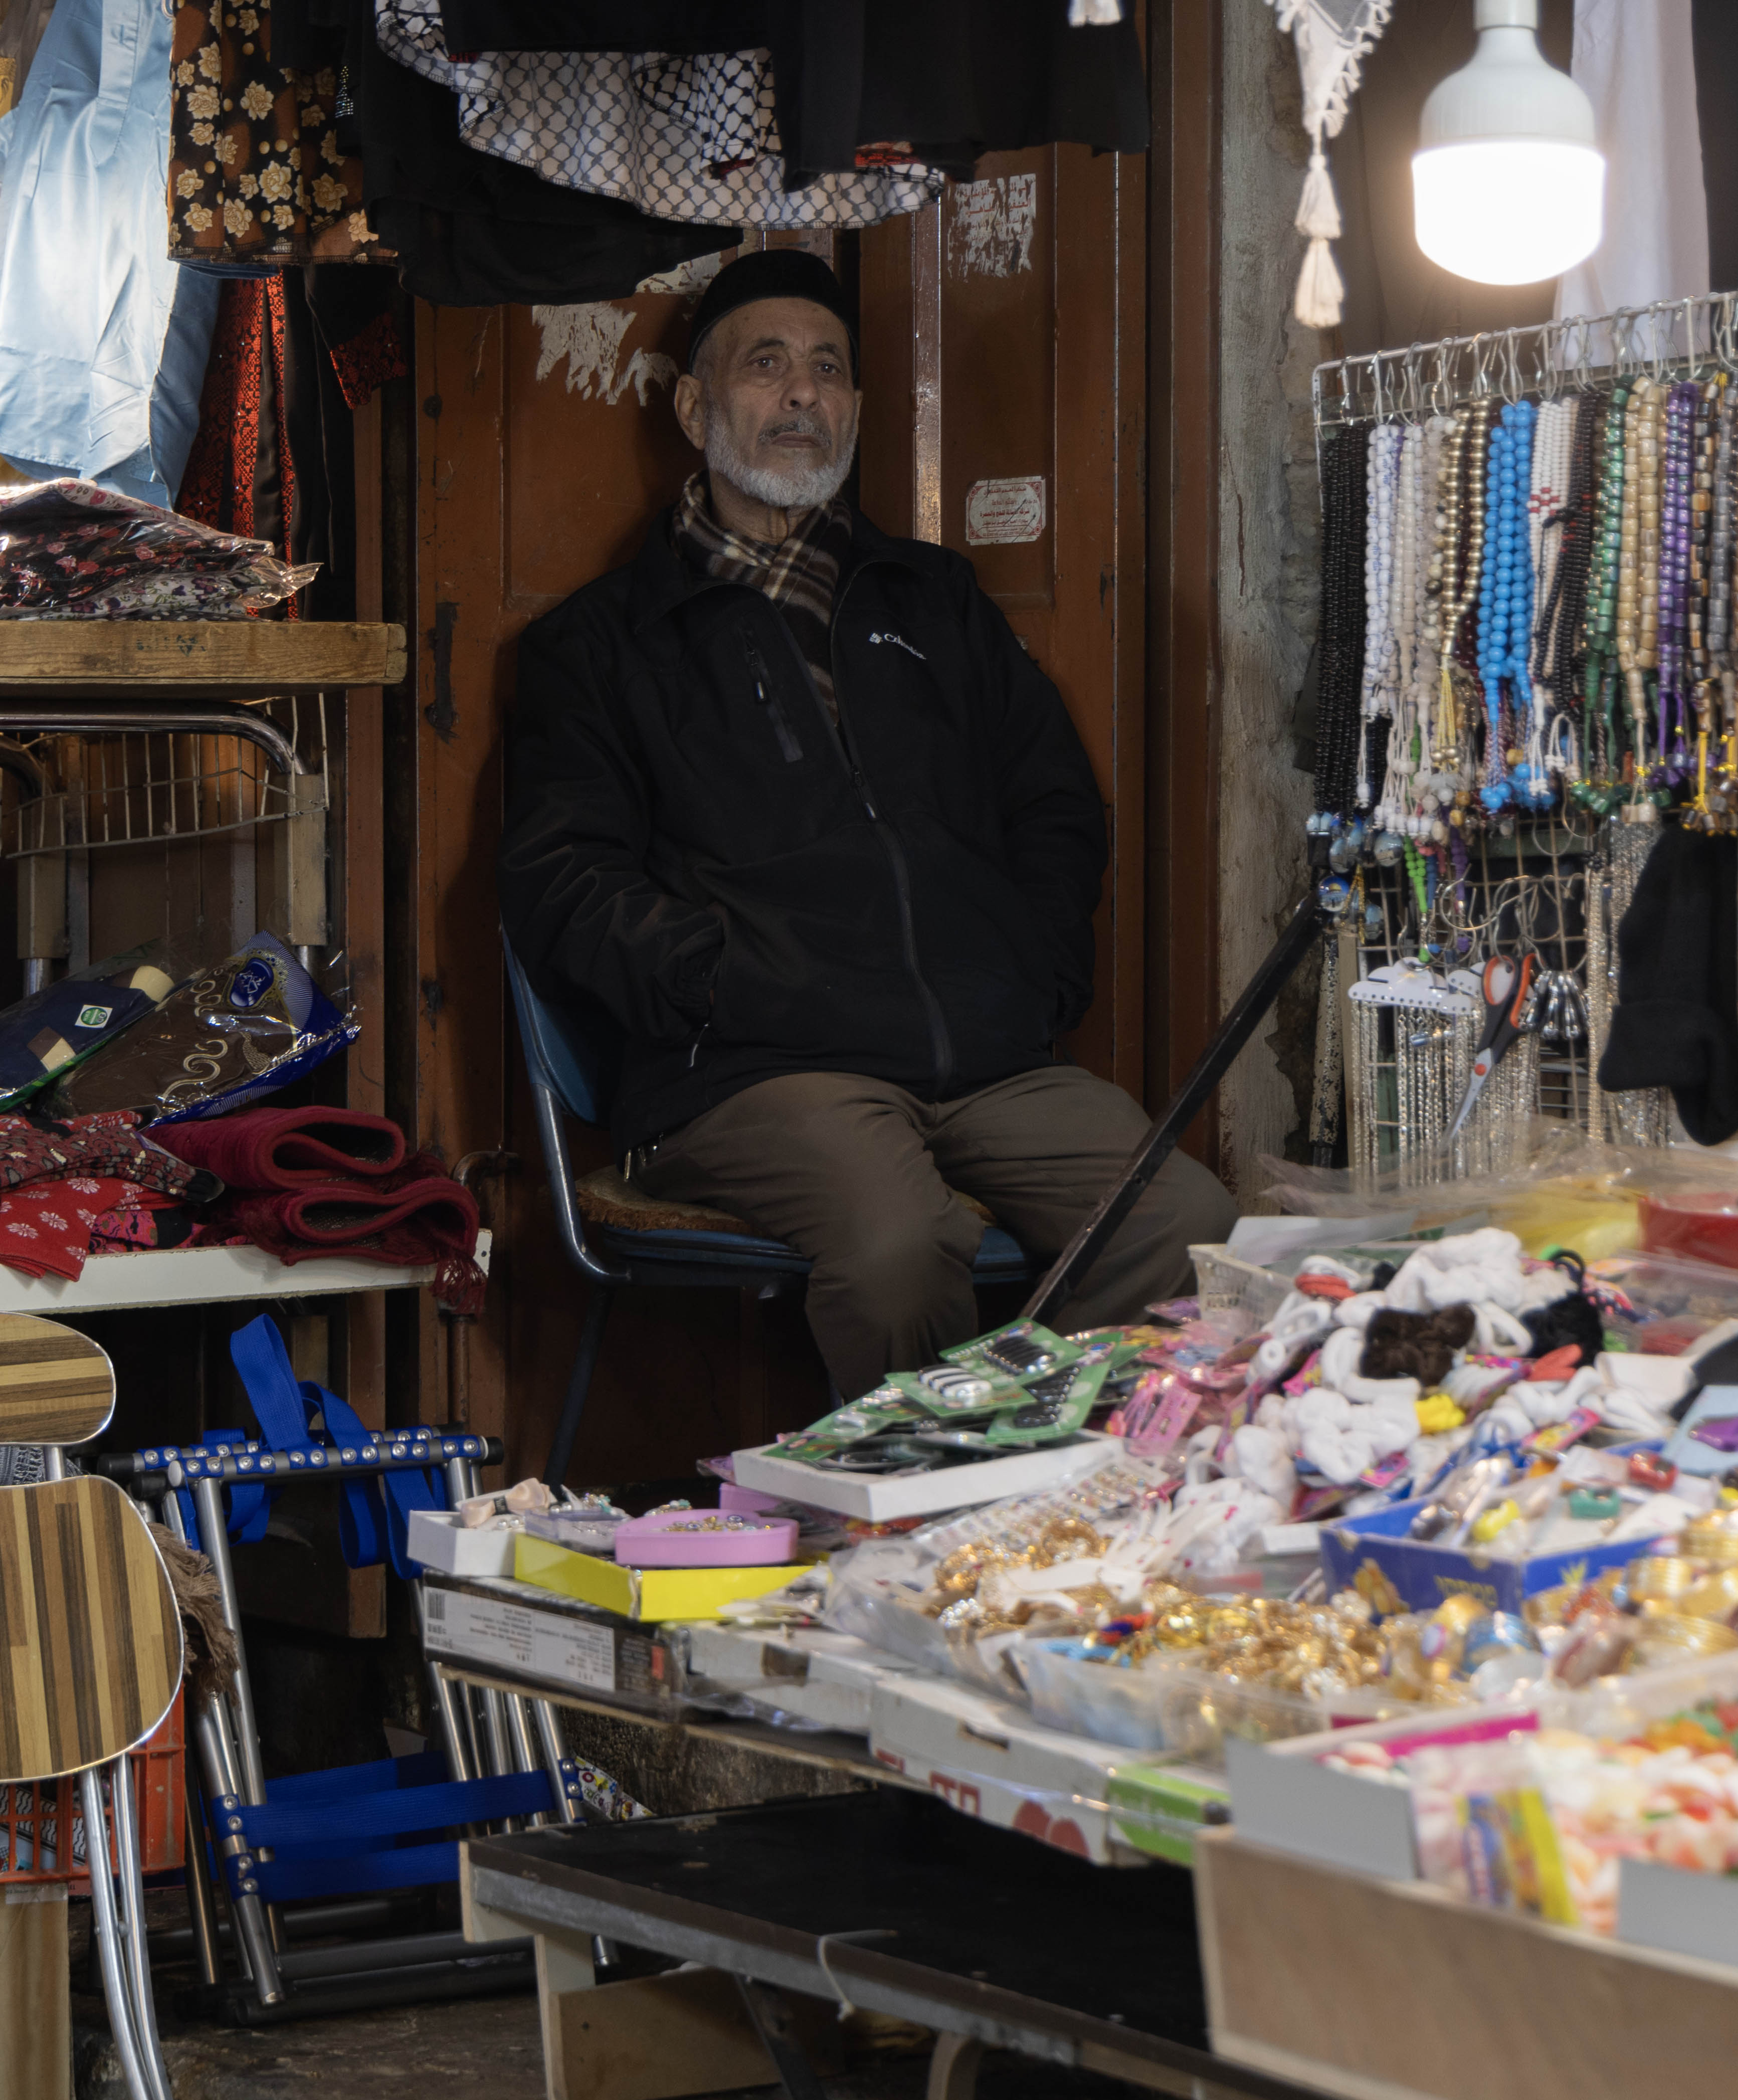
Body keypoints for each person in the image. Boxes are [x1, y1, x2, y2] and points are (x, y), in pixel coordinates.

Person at [499, 249, 1237, 1395]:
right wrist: (725, 981)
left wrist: (1031, 971)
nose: (803, 392)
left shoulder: (935, 601)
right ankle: (916, 1504)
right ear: (694, 409)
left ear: (855, 406)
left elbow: (1053, 803)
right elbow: (564, 878)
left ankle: (1044, 1481)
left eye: (830, 368)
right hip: (755, 1072)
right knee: (897, 1249)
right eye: (766, 364)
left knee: (1188, 1226)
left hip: (984, 1059)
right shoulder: (600, 646)